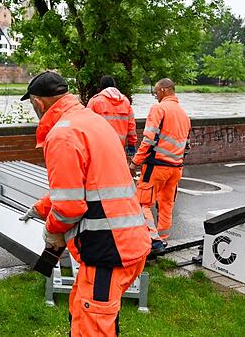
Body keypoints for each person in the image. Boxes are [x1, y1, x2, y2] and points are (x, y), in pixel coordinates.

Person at [19, 71, 150, 337]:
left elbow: (69, 207)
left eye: (32, 104)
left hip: (107, 250)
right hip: (126, 242)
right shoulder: (92, 121)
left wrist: (52, 229)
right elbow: (91, 182)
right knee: (84, 313)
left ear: (39, 103)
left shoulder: (62, 135)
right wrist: (43, 207)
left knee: (92, 326)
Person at [129, 78, 191, 255]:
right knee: (166, 204)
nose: (155, 96)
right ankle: (163, 239)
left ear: (164, 90)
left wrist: (135, 162)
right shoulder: (184, 115)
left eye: (156, 92)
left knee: (142, 203)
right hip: (176, 168)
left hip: (156, 167)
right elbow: (186, 145)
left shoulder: (159, 109)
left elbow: (148, 139)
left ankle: (154, 241)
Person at [86, 76, 137, 158]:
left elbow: (86, 126)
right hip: (120, 146)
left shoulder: (94, 101)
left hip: (100, 147)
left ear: (101, 86)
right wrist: (131, 144)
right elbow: (131, 126)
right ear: (114, 85)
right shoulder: (125, 101)